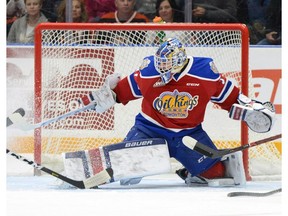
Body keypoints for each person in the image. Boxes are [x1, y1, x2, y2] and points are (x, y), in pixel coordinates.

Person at [79, 38, 275, 186]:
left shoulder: (205, 73)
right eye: (159, 61)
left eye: (165, 63)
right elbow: (121, 92)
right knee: (126, 171)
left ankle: (191, 173)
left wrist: (252, 109)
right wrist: (101, 97)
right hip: (150, 129)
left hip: (189, 134)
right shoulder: (149, 71)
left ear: (179, 61)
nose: (160, 66)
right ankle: (85, 169)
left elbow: (231, 98)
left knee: (215, 173)